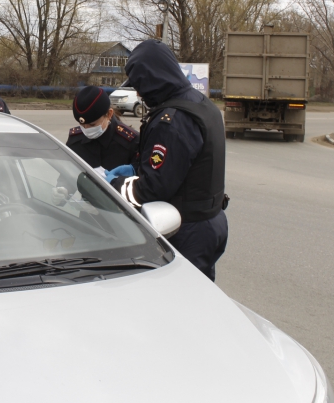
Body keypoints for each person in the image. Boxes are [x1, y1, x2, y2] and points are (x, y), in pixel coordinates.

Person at [107, 40, 228, 281]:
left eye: (140, 85)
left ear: (152, 78)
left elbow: (153, 189)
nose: (139, 93)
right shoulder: (201, 104)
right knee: (202, 294)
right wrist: (139, 168)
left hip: (186, 229)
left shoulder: (171, 121)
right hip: (211, 221)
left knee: (182, 303)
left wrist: (115, 185)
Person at [65, 85, 139, 171]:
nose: (86, 129)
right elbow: (65, 178)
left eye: (92, 125)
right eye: (82, 125)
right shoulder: (75, 140)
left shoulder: (131, 143)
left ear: (109, 114)